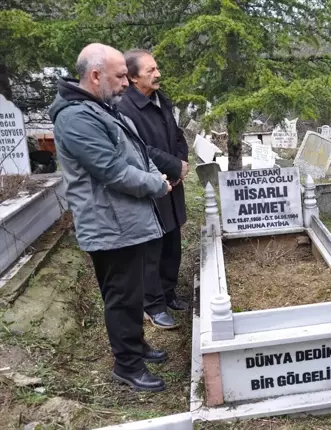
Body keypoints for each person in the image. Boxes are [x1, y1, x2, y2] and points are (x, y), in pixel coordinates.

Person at [49, 43, 171, 392]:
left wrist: (153, 175)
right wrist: (155, 184)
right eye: (120, 76)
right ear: (96, 75)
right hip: (109, 225)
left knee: (132, 291)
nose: (125, 83)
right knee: (122, 295)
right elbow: (112, 171)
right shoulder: (77, 117)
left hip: (125, 221)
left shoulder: (101, 108)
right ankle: (127, 365)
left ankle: (137, 346)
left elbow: (138, 152)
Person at [119, 49, 190, 330]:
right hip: (151, 184)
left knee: (172, 241)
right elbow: (138, 149)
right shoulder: (125, 109)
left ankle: (169, 292)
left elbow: (177, 136)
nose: (158, 74)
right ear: (134, 77)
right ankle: (153, 304)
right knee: (153, 247)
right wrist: (173, 167)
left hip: (172, 181)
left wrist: (181, 164)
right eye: (150, 70)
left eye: (156, 68)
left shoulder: (161, 100)